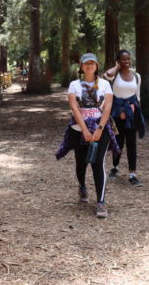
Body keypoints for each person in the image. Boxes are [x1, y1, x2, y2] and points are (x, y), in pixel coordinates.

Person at [56, 53, 120, 218]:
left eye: (92, 63)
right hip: (79, 129)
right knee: (81, 162)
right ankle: (82, 186)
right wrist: (85, 130)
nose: (89, 66)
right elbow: (74, 108)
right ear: (81, 66)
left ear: (96, 65)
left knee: (98, 163)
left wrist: (99, 129)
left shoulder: (105, 84)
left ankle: (101, 201)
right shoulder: (74, 85)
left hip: (101, 128)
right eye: (86, 63)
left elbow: (107, 107)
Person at [104, 49, 146, 187]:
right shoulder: (114, 75)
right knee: (118, 141)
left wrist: (137, 113)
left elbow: (137, 96)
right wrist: (117, 66)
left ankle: (132, 174)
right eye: (123, 59)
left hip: (132, 113)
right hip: (117, 112)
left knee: (131, 143)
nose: (126, 62)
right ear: (118, 61)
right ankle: (115, 167)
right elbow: (107, 74)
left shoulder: (136, 76)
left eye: (128, 59)